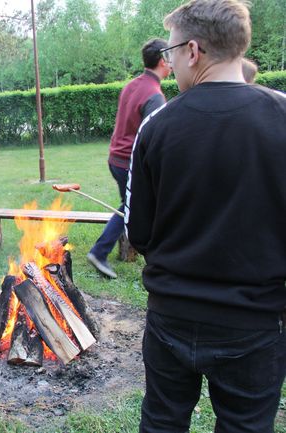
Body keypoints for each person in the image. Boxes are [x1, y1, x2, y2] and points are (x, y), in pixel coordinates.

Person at [125, 1, 286, 431]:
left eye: (173, 51)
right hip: (254, 321)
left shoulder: (158, 126)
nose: (171, 61)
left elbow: (137, 230)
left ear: (193, 51)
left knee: (162, 422)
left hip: (171, 316)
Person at [86, 38, 172, 279]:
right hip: (129, 162)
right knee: (134, 207)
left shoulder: (132, 85)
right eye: (171, 58)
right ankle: (100, 252)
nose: (173, 64)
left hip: (115, 158)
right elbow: (153, 140)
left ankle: (114, 251)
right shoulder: (154, 95)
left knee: (131, 205)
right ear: (162, 60)